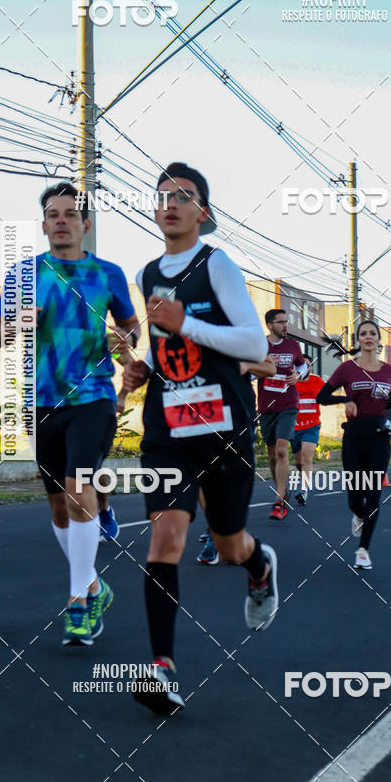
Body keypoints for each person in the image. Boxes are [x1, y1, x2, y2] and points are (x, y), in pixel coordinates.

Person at [122, 162, 279, 716]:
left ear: (202, 212)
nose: (171, 204)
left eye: (183, 197)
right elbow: (167, 345)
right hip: (167, 428)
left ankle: (260, 567)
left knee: (230, 545)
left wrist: (185, 322)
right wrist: (144, 367)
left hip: (223, 425)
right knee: (165, 536)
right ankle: (161, 667)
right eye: (163, 196)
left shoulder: (217, 265)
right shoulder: (147, 274)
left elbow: (254, 344)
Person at [0, 182, 140, 644]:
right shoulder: (24, 274)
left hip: (93, 398)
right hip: (41, 402)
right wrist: (19, 322)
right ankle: (94, 585)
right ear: (43, 225)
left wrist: (126, 339)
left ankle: (78, 603)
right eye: (53, 214)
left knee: (78, 490)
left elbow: (131, 328)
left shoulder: (108, 274)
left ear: (84, 224)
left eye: (70, 214)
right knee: (58, 504)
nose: (61, 221)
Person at [316, 320, 391, 570]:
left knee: (373, 494)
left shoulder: (389, 371)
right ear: (358, 340)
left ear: (379, 339)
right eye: (364, 334)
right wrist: (345, 400)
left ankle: (363, 550)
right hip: (354, 436)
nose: (369, 337)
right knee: (354, 498)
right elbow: (321, 396)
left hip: (379, 438)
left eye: (373, 333)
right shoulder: (347, 369)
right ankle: (359, 515)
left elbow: (386, 403)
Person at [197, 356, 275, 565]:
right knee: (200, 475)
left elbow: (270, 367)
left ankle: (233, 538)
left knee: (228, 481)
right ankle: (214, 530)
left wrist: (247, 366)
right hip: (201, 407)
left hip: (238, 413)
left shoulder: (241, 338)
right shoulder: (178, 338)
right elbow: (151, 364)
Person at [257, 309, 307, 520]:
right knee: (271, 455)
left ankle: (279, 499)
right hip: (266, 406)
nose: (285, 325)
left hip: (288, 404)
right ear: (269, 325)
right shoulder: (259, 345)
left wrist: (298, 375)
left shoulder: (293, 345)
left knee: (281, 450)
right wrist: (264, 365)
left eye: (286, 321)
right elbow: (247, 370)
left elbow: (303, 365)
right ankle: (282, 488)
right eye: (280, 322)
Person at [291, 355, 325, 505]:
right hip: (294, 427)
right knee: (299, 463)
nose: (304, 368)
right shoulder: (290, 382)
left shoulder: (317, 381)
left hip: (312, 426)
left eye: (308, 365)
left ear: (311, 368)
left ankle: (304, 490)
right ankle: (305, 478)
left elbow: (327, 394)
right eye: (301, 365)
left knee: (307, 456)